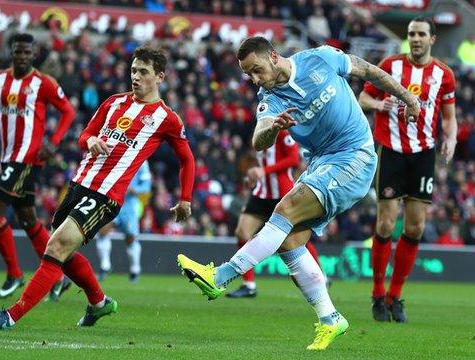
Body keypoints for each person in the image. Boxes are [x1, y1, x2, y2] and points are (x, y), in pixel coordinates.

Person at [177, 36, 420, 350]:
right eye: (248, 75)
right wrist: (274, 128)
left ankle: (221, 276)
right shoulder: (270, 98)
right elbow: (258, 140)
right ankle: (330, 318)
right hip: (321, 163)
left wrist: (408, 98)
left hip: (355, 155)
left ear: (274, 57)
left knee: (285, 209)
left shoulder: (320, 58)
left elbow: (367, 70)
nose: (254, 79)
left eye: (257, 70)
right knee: (289, 242)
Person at [0, 46, 195, 330]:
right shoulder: (114, 103)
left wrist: (185, 199)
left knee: (55, 246)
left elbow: (187, 159)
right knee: (62, 254)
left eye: (143, 72)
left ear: (160, 77)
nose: (136, 77)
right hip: (79, 184)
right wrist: (90, 141)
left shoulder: (166, 118)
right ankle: (99, 302)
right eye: (133, 70)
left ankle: (9, 316)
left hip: (107, 195)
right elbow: (85, 135)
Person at [0, 33, 75, 298]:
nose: (22, 56)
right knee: (28, 219)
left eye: (26, 52)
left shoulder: (43, 83)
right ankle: (58, 275)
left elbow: (68, 111)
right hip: (9, 157)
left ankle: (14, 274)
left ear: (33, 55)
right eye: (18, 52)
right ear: (11, 53)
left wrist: (53, 142)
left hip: (28, 159)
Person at [358, 17, 457, 323]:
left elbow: (450, 116)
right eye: (411, 34)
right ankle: (377, 293)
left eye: (421, 34)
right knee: (386, 225)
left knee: (414, 228)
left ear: (432, 39)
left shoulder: (444, 75)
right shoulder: (390, 65)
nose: (415, 38)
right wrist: (379, 106)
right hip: (391, 152)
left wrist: (450, 137)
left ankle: (394, 296)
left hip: (424, 154)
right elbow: (363, 98)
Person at [225, 131, 328, 298]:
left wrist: (264, 171)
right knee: (242, 232)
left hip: (282, 194)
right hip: (261, 193)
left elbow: (294, 158)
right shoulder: (260, 129)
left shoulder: (282, 131)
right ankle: (249, 285)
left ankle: (321, 276)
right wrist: (254, 176)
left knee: (295, 239)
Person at [95, 161, 152, 283]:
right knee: (103, 231)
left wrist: (135, 189)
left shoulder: (142, 161)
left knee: (130, 238)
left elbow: (146, 185)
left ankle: (135, 269)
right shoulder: (114, 151)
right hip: (111, 202)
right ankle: (105, 267)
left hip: (129, 207)